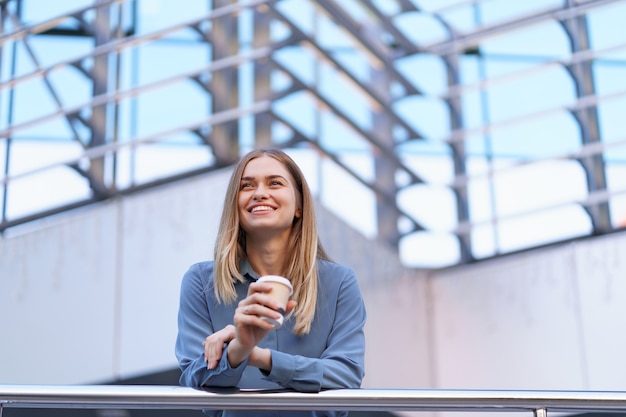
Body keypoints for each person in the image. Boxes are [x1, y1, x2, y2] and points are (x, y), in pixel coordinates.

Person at [175, 148, 367, 417]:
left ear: (299, 205)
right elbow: (195, 384)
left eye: (275, 183)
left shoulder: (339, 283)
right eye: (247, 185)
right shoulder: (200, 282)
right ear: (236, 204)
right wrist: (237, 350)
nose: (259, 193)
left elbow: (346, 377)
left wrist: (256, 356)